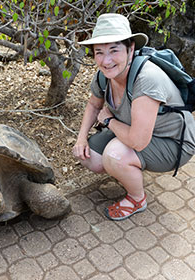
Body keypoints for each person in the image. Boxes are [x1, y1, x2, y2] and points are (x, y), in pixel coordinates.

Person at [73, 13, 195, 221]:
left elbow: (138, 142)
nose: (106, 60)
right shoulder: (104, 75)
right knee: (90, 158)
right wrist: (81, 138)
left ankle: (137, 198)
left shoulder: (147, 79)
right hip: (136, 130)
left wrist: (109, 121)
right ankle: (133, 168)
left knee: (114, 156)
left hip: (174, 143)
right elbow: (94, 104)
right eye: (99, 52)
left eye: (114, 50)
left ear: (130, 49)